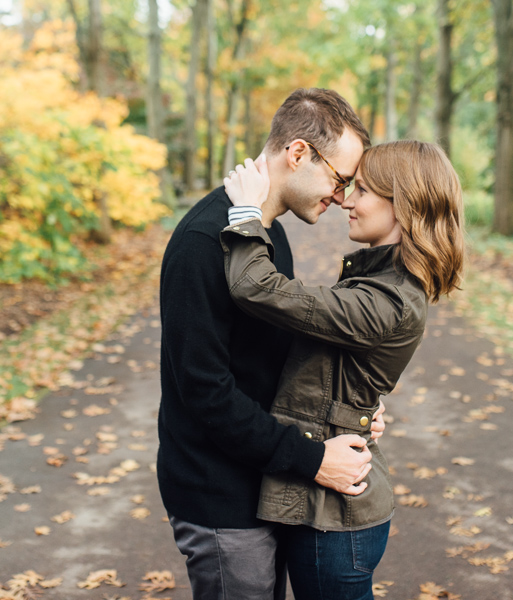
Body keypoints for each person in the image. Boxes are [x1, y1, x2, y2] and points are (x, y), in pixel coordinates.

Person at [157, 88, 387, 600]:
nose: (343, 196)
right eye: (339, 178)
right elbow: (205, 394)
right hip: (220, 496)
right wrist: (311, 460)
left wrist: (347, 406)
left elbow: (273, 357)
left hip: (264, 480)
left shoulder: (265, 234)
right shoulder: (202, 243)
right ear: (298, 153)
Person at [221, 139, 465, 600]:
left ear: (404, 205)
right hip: (330, 510)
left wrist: (245, 213)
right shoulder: (378, 281)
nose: (347, 201)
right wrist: (357, 405)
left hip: (336, 521)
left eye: (365, 191)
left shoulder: (386, 299)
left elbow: (255, 285)